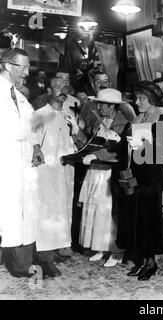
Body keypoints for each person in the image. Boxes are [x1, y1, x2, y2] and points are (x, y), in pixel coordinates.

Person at [116, 81, 163, 281]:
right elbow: (124, 145)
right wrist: (121, 142)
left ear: (152, 100)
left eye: (141, 99)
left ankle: (151, 262)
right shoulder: (137, 118)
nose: (137, 102)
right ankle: (141, 260)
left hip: (150, 179)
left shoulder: (162, 120)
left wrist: (142, 145)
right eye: (137, 98)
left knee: (150, 221)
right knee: (138, 220)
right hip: (135, 177)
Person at [0, 48, 45, 278]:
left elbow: (30, 125)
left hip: (24, 165)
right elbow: (13, 131)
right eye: (23, 67)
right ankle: (11, 261)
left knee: (24, 212)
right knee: (8, 213)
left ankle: (20, 264)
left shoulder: (20, 96)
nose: (27, 73)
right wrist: (45, 115)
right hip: (6, 164)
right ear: (8, 66)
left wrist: (36, 146)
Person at [32, 77, 83, 277]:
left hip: (66, 172)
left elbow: (77, 141)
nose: (62, 90)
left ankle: (54, 249)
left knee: (62, 212)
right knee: (47, 212)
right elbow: (28, 138)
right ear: (49, 89)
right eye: (57, 87)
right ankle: (44, 258)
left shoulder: (69, 115)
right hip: (47, 173)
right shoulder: (40, 114)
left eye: (65, 87)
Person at [78, 88, 130, 267]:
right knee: (96, 211)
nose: (98, 107)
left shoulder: (123, 123)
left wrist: (97, 156)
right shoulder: (99, 121)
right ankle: (101, 247)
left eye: (102, 104)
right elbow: (89, 143)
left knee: (109, 212)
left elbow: (120, 150)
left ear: (112, 106)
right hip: (95, 171)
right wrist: (77, 131)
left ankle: (116, 252)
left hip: (110, 173)